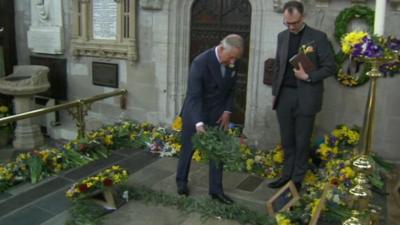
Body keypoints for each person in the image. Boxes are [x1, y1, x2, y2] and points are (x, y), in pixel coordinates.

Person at [270, 1, 336, 191]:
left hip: (306, 95)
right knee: (287, 138)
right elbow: (278, 66)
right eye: (287, 23)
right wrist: (275, 93)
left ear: (303, 17)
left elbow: (330, 66)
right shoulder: (282, 36)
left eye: (295, 23)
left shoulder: (318, 37)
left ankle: (297, 178)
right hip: (284, 96)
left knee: (302, 138)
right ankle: (286, 174)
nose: (291, 27)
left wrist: (309, 76)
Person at [176, 34, 244, 204]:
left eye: (236, 58)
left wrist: (227, 111)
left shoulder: (233, 60)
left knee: (217, 153)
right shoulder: (200, 63)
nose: (233, 62)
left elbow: (231, 90)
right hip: (195, 112)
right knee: (188, 149)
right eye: (231, 57)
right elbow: (194, 96)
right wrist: (198, 123)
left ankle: (216, 191)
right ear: (222, 49)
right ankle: (181, 182)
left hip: (218, 114)